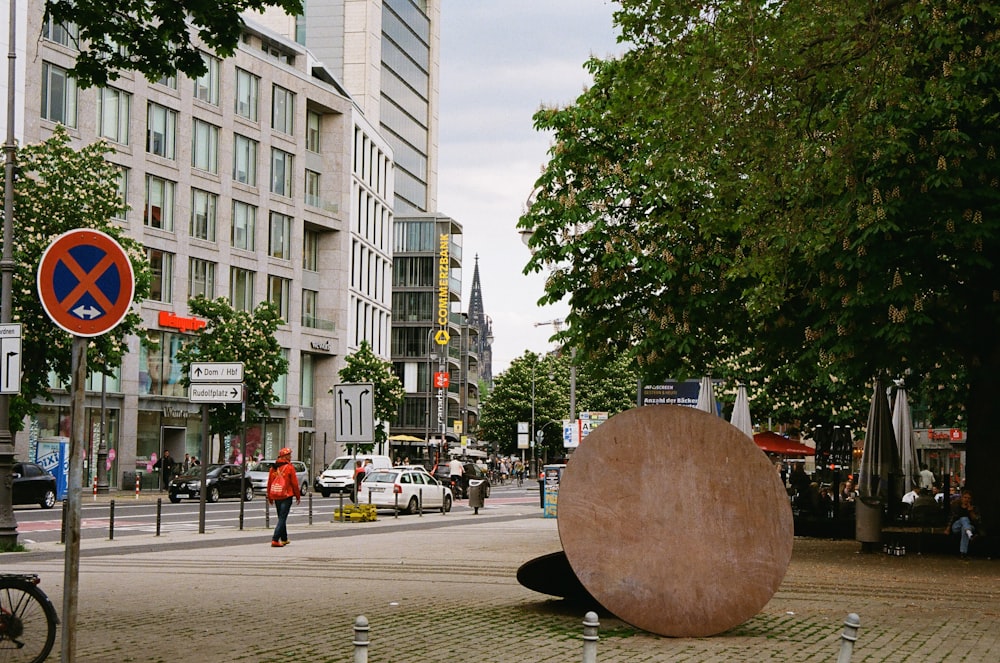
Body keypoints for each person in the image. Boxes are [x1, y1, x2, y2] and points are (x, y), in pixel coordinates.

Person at [267, 447, 301, 548]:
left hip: (276, 494)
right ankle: (275, 539)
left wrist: (270, 496)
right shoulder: (289, 468)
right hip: (286, 495)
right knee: (282, 518)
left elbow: (270, 483)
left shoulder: (273, 468)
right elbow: (294, 483)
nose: (290, 456)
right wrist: (297, 496)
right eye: (289, 455)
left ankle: (284, 538)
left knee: (281, 517)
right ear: (285, 456)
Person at [948, 488, 980, 559]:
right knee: (964, 518)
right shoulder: (956, 505)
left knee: (964, 529)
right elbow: (952, 517)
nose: (966, 500)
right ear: (962, 498)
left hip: (969, 526)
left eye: (969, 498)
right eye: (965, 497)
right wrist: (947, 528)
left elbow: (976, 520)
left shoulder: (974, 507)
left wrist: (971, 511)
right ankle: (970, 535)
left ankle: (963, 553)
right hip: (956, 526)